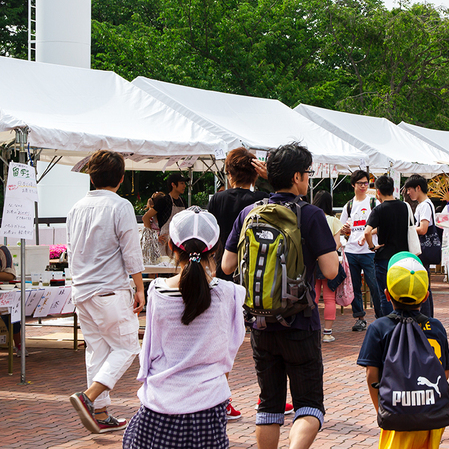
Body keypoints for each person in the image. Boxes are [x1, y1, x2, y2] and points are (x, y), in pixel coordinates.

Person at [221, 142, 338, 449]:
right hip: (300, 322)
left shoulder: (249, 212)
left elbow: (227, 264)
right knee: (309, 407)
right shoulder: (310, 215)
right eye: (308, 173)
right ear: (298, 177)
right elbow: (330, 270)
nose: (308, 179)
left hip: (260, 325)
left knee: (269, 406)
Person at [123, 207, 246, 449]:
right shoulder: (231, 293)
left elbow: (150, 351)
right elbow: (230, 349)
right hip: (209, 403)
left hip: (160, 404)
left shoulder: (157, 291)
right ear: (216, 248)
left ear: (170, 245)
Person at [67, 150, 145, 434]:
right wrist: (139, 287)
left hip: (82, 290)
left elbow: (71, 250)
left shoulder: (76, 207)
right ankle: (88, 399)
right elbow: (131, 251)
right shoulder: (120, 206)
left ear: (91, 175)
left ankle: (100, 412)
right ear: (121, 178)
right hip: (109, 289)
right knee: (127, 347)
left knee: (97, 351)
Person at [356, 253, 449, 449]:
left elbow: (371, 376)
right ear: (426, 296)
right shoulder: (436, 328)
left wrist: (382, 410)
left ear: (387, 294)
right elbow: (444, 373)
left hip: (396, 414)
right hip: (431, 417)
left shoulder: (379, 328)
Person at [207, 147, 270, 279]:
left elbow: (210, 235)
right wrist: (269, 177)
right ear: (256, 174)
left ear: (229, 173)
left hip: (223, 265)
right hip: (256, 268)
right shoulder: (263, 199)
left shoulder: (218, 199)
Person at [362, 175, 410, 318]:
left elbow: (367, 232)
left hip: (384, 257)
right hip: (402, 256)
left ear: (378, 192)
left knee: (385, 293)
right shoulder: (404, 206)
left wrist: (372, 247)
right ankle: (402, 321)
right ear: (393, 189)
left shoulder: (379, 209)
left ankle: (388, 324)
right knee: (401, 291)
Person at [339, 170, 382, 329]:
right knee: (354, 286)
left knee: (374, 285)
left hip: (369, 252)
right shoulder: (349, 205)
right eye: (360, 183)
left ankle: (380, 316)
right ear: (353, 185)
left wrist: (368, 233)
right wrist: (344, 229)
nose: (364, 186)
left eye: (366, 183)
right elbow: (342, 229)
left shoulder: (373, 203)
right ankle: (360, 317)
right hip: (351, 251)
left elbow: (380, 225)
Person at [405, 174, 441, 317]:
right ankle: (428, 316)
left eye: (409, 189)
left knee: (423, 285)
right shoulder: (427, 204)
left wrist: (409, 229)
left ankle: (425, 316)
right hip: (426, 249)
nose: (408, 193)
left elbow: (423, 228)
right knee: (425, 285)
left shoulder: (424, 206)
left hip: (423, 249)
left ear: (418, 188)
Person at [311, 190, 344, 343]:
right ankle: (327, 333)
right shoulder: (333, 221)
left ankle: (313, 330)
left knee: (314, 297)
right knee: (330, 298)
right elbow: (337, 243)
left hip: (313, 262)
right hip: (330, 262)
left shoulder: (311, 217)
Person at [0, 245, 25, 357]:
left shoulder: (2, 250)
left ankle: (18, 344)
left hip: (3, 292)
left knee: (10, 315)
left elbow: (10, 275)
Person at [159, 172, 188, 257]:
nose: (184, 186)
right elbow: (146, 217)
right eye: (182, 183)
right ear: (173, 185)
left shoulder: (183, 201)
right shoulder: (164, 201)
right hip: (165, 242)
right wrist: (154, 236)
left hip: (179, 241)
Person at [140, 192, 166, 265]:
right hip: (154, 245)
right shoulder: (151, 216)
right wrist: (156, 237)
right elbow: (147, 232)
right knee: (153, 264)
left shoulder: (162, 215)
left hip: (162, 243)